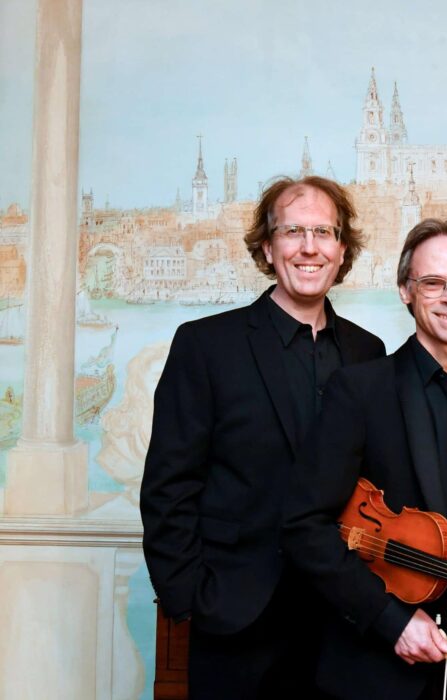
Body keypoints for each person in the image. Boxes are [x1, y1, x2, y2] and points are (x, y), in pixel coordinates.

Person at [140, 176, 386, 699]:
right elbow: (168, 487)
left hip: (341, 624)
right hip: (235, 619)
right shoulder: (205, 346)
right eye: (292, 230)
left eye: (323, 231)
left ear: (342, 250)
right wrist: (191, 600)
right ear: (267, 247)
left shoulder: (369, 353)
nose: (309, 246)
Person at [282, 218, 447, 700]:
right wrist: (389, 621)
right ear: (405, 291)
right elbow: (303, 526)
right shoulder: (361, 390)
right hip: (377, 660)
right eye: (432, 283)